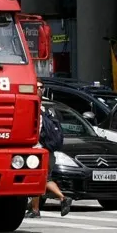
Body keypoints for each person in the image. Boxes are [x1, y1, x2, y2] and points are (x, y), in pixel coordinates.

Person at [27, 83, 72, 218]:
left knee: (36, 179)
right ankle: (34, 208)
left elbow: (36, 131)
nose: (40, 89)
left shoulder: (34, 107)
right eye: (38, 87)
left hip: (39, 149)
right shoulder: (46, 108)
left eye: (41, 87)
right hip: (49, 150)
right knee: (44, 179)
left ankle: (57, 200)